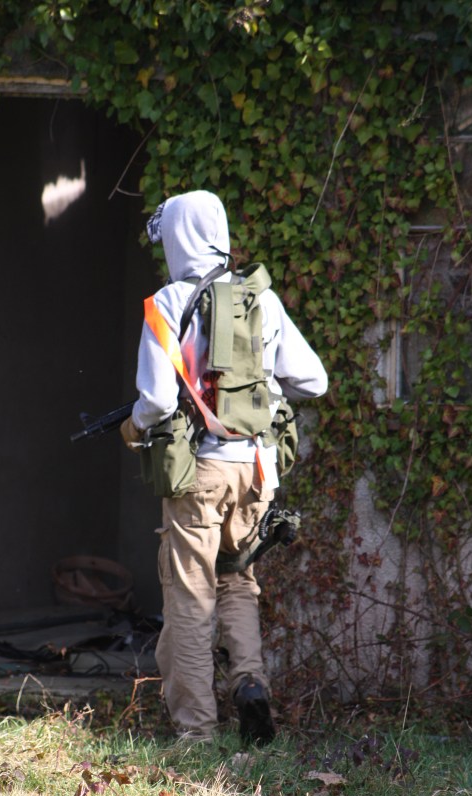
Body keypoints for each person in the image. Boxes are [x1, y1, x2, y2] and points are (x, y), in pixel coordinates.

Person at [121, 190, 328, 744]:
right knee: (237, 580)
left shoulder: (167, 303)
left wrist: (134, 427)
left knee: (191, 596)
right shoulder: (263, 299)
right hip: (257, 469)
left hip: (200, 471)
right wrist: (262, 390)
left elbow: (157, 401)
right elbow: (314, 380)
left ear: (177, 237)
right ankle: (250, 685)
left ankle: (197, 733)